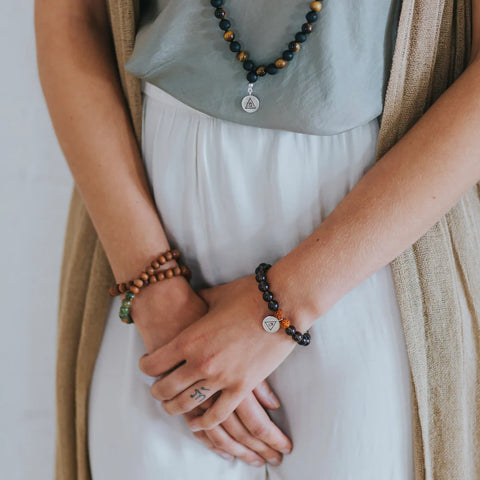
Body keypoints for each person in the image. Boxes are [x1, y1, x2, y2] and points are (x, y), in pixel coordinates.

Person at [35, 1, 480, 479]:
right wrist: (151, 285)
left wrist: (279, 306)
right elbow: (70, 17)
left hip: (372, 247)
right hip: (146, 230)